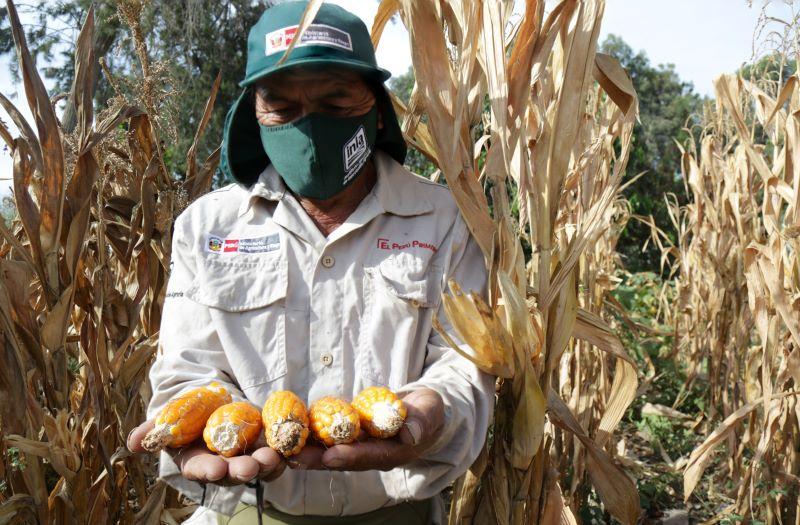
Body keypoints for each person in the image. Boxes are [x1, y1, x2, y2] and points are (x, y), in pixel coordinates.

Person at [127, 2, 494, 523]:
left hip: (394, 512)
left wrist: (430, 412)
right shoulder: (208, 228)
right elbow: (190, 369)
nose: (309, 127)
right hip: (250, 509)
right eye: (282, 107)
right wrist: (201, 420)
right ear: (254, 112)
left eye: (335, 102)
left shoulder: (445, 221)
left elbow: (462, 364)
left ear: (377, 106)